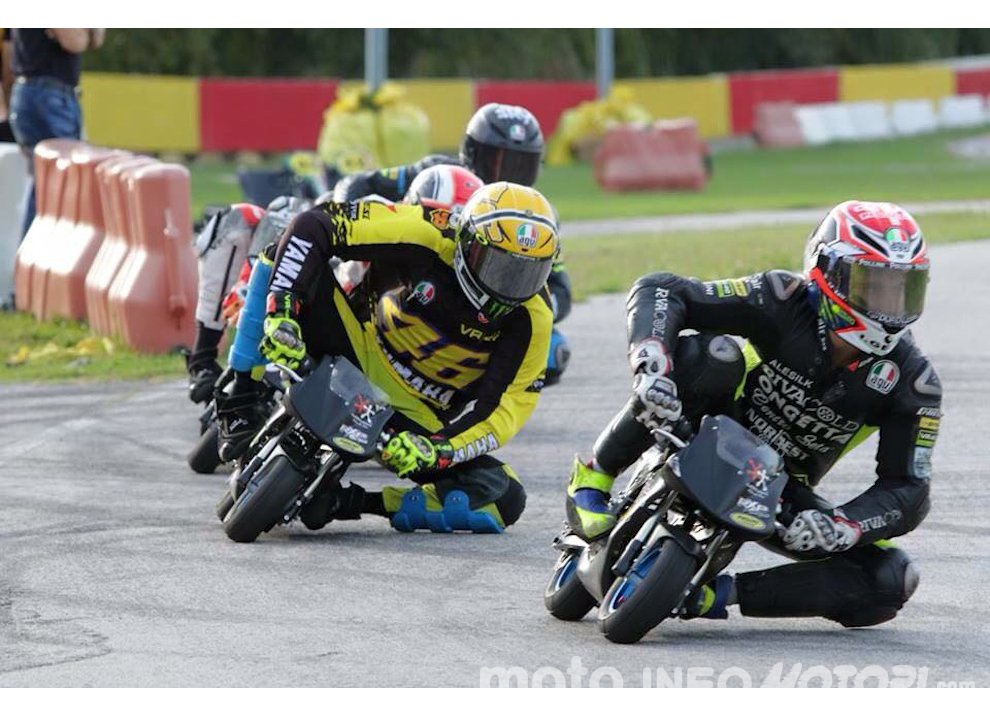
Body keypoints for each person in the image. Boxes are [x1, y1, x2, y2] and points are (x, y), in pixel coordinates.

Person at [565, 200, 940, 627]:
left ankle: (717, 594)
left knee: (894, 577)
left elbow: (910, 488)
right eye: (873, 287)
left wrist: (843, 525)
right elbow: (663, 289)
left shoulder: (913, 381)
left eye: (901, 291)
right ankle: (597, 474)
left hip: (782, 486)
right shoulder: (781, 297)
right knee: (713, 355)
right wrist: (651, 363)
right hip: (710, 423)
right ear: (826, 272)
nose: (888, 308)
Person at [250, 182, 559, 533]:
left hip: (407, 418)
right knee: (284, 250)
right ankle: (241, 392)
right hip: (350, 345)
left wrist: (440, 450)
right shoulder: (425, 230)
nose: (508, 288)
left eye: (527, 274)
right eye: (499, 267)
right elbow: (315, 225)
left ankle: (355, 502)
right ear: (467, 241)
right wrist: (282, 312)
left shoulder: (534, 318)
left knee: (504, 495)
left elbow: (506, 409)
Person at [335, 102, 573, 384]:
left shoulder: (536, 217)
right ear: (472, 153)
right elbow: (358, 184)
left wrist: (512, 303)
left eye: (521, 166)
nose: (508, 177)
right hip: (413, 280)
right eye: (500, 162)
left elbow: (560, 289)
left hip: (481, 313)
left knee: (552, 352)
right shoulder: (438, 173)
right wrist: (351, 221)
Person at [186, 196, 308, 402]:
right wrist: (244, 285)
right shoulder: (273, 219)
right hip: (237, 238)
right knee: (227, 299)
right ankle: (202, 362)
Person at [7, 28, 103, 238]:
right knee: (55, 187)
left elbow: (94, 38)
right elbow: (75, 40)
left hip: (44, 95)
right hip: (48, 96)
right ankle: (36, 261)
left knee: (49, 185)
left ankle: (33, 262)